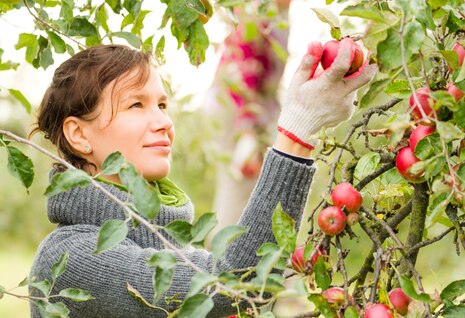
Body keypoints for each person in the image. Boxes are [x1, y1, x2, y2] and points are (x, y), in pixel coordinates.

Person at [28, 41, 376, 317]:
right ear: (79, 135)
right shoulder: (71, 258)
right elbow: (236, 282)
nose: (164, 123)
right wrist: (298, 131)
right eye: (136, 105)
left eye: (163, 106)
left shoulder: (177, 247)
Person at [206, 0, 290, 238]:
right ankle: (221, 266)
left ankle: (244, 263)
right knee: (239, 182)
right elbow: (245, 67)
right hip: (238, 109)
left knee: (255, 189)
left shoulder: (279, 13)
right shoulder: (257, 9)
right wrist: (247, 130)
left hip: (255, 111)